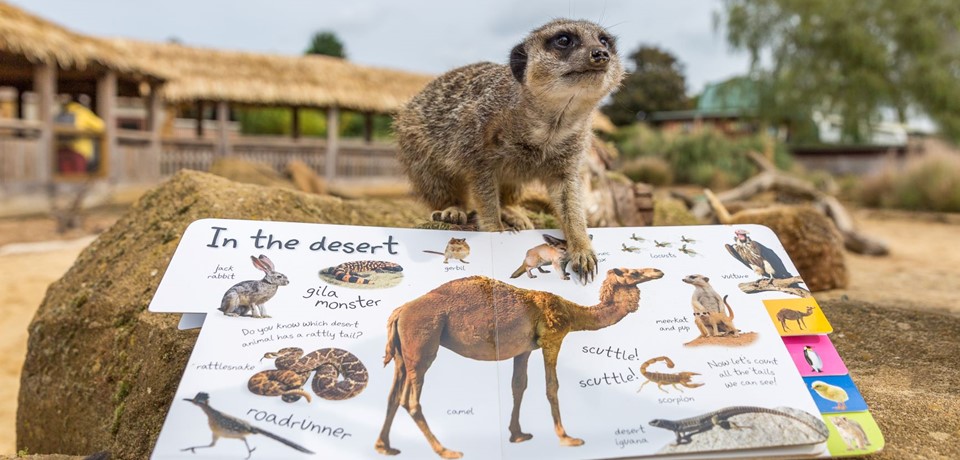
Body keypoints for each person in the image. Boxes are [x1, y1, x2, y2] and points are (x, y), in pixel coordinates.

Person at [55, 95, 104, 174]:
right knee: (78, 177)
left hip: (60, 150)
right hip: (79, 150)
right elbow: (101, 126)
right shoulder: (82, 112)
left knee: (64, 176)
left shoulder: (60, 114)